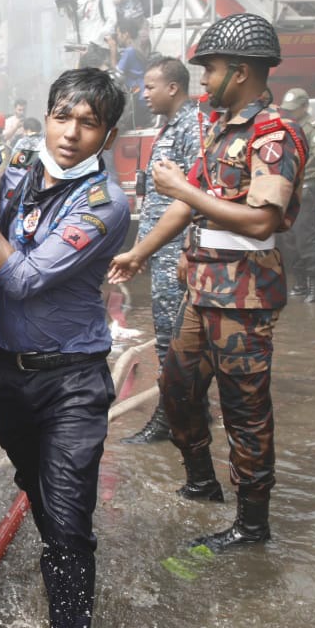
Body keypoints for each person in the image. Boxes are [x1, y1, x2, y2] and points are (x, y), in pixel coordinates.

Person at [0, 68, 130, 628]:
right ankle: (60, 569)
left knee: (68, 519)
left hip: (72, 383)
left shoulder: (106, 205)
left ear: (107, 134)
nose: (71, 132)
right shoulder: (27, 171)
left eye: (88, 123)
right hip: (9, 375)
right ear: (48, 116)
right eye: (63, 116)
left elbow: (22, 277)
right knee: (41, 497)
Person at [109, 12, 305, 556]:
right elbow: (183, 204)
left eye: (211, 69)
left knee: (246, 409)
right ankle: (200, 481)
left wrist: (182, 190)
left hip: (243, 296)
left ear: (240, 72)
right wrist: (139, 253)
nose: (204, 80)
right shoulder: (221, 130)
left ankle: (251, 524)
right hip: (202, 285)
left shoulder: (274, 135)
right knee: (177, 388)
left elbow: (261, 220)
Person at [123, 56, 203, 444]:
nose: (144, 93)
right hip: (162, 246)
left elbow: (195, 195)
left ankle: (171, 418)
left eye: (150, 86)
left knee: (174, 337)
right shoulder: (170, 125)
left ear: (173, 87)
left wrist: (188, 247)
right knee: (169, 335)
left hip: (177, 251)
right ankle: (186, 412)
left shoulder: (192, 125)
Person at [274, 88, 315, 302]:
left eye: (294, 109)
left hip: (307, 186)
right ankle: (299, 283)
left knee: (305, 238)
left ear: (305, 106)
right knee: (288, 238)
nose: (291, 112)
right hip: (290, 187)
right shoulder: (288, 127)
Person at [78, 0, 118, 67]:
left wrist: (97, 40)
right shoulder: (87, 3)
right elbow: (79, 20)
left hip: (99, 50)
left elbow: (112, 21)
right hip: (87, 50)